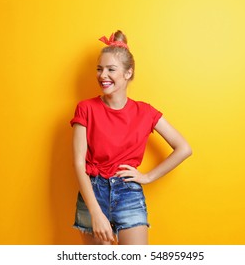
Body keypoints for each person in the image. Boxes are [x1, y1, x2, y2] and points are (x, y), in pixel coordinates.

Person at [70, 30, 192, 245]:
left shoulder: (145, 112)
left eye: (111, 69)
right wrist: (96, 213)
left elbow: (183, 148)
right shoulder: (86, 108)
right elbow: (79, 163)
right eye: (99, 69)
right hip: (93, 192)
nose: (102, 75)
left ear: (128, 73)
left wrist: (148, 177)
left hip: (128, 194)